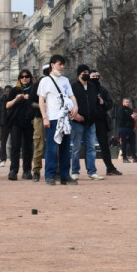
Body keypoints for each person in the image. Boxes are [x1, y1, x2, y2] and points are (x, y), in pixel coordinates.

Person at [37, 54, 79, 186]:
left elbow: (71, 96)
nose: (62, 67)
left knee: (65, 148)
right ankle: (49, 175)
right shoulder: (45, 81)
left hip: (65, 118)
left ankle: (65, 175)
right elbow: (41, 100)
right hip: (53, 117)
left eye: (63, 64)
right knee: (51, 148)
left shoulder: (65, 80)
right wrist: (45, 117)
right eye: (60, 64)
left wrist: (76, 107)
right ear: (52, 64)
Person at [69, 64, 103, 181]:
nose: (86, 74)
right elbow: (68, 103)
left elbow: (95, 102)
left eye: (88, 72)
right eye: (84, 72)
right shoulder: (72, 86)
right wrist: (74, 115)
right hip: (77, 121)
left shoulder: (92, 87)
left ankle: (92, 171)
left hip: (91, 121)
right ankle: (75, 171)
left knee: (91, 147)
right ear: (79, 73)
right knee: (76, 148)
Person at [5, 70, 39, 181]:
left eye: (26, 76)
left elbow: (39, 103)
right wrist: (17, 99)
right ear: (19, 78)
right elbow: (7, 105)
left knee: (28, 147)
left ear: (30, 77)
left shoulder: (34, 89)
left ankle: (27, 170)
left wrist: (31, 100)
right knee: (15, 146)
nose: (24, 78)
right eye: (22, 76)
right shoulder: (15, 90)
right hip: (16, 122)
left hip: (30, 121)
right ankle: (13, 170)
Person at [90, 71, 122, 176]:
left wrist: (103, 103)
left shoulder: (103, 90)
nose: (95, 78)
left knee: (104, 145)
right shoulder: (86, 89)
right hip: (88, 120)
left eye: (96, 76)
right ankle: (89, 170)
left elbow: (110, 104)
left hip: (101, 120)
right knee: (87, 146)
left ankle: (110, 167)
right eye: (93, 76)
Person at [0, 85, 12, 167]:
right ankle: (2, 159)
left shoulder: (14, 99)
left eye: (9, 91)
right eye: (6, 91)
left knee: (15, 141)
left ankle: (13, 158)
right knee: (3, 142)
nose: (8, 93)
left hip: (13, 123)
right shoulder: (2, 99)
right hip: (4, 123)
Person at [116, 98, 137, 163]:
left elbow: (133, 118)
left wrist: (134, 119)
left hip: (130, 128)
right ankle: (124, 158)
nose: (127, 103)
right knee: (124, 143)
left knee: (133, 143)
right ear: (123, 102)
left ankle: (134, 157)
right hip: (123, 128)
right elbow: (122, 117)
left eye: (128, 102)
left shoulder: (130, 110)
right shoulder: (121, 109)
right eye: (126, 102)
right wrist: (131, 117)